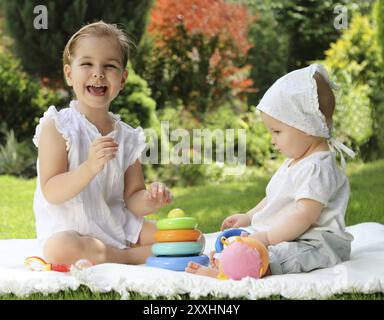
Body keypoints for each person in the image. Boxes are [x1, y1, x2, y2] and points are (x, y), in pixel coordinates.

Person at [186, 64, 355, 278]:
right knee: (251, 242)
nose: (272, 140)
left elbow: (305, 216)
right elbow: (274, 198)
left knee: (277, 255)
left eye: (277, 131)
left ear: (307, 126)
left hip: (316, 243)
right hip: (292, 236)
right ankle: (232, 260)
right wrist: (248, 217)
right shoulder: (296, 161)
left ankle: (230, 269)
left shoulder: (317, 168)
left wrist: (266, 237)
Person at [32, 21, 172, 267]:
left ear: (123, 78)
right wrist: (90, 166)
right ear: (69, 73)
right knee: (59, 249)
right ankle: (127, 257)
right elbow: (52, 191)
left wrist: (150, 198)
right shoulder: (57, 126)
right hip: (72, 228)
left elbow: (133, 198)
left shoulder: (127, 137)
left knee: (189, 239)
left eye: (109, 66)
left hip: (116, 223)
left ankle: (117, 254)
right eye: (86, 64)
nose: (98, 73)